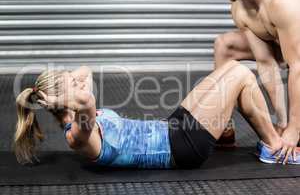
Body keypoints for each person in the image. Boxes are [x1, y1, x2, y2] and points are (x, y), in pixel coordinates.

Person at [14, 63, 299, 168]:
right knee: (240, 75)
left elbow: (86, 71)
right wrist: (61, 95)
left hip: (172, 128)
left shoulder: (76, 112)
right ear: (64, 104)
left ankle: (237, 137)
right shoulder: (78, 135)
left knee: (230, 68)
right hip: (181, 147)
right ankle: (274, 147)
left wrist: (62, 84)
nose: (79, 83)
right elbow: (86, 99)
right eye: (72, 86)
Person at [214, 0, 300, 160]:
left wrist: (294, 130)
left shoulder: (284, 2)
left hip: (296, 53)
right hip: (286, 46)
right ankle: (223, 128)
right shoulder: (240, 8)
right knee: (224, 45)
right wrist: (282, 123)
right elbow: (266, 62)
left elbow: (298, 66)